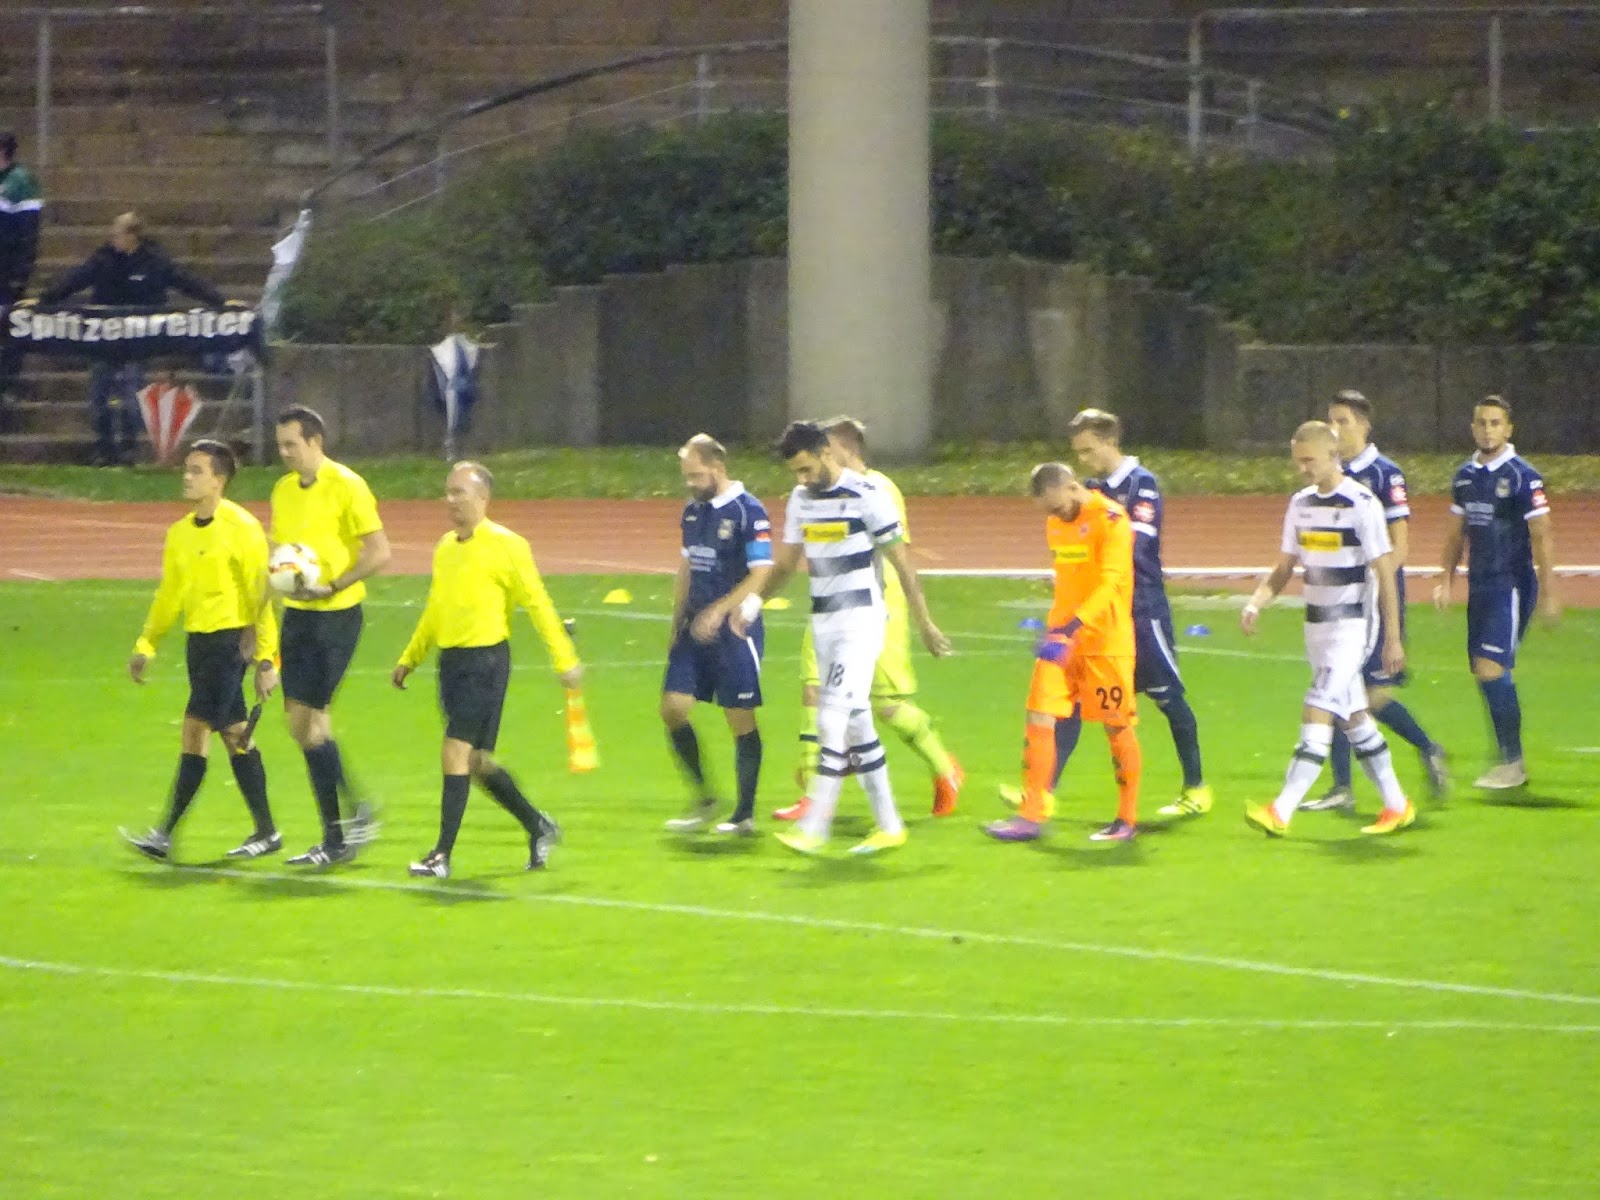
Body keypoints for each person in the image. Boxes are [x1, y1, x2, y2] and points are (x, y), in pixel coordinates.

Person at [730, 421, 951, 856]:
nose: (802, 478)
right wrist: (753, 603)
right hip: (825, 623)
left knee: (831, 718)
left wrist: (925, 622)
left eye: (807, 468)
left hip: (862, 622)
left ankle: (815, 828)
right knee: (857, 722)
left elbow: (902, 564)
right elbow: (787, 564)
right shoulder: (801, 499)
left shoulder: (868, 495)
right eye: (796, 472)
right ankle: (889, 826)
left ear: (827, 453)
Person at [392, 462, 581, 878]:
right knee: (477, 763)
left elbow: (538, 602)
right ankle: (538, 825)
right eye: (448, 492)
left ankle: (441, 855)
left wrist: (564, 658)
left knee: (454, 752)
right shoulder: (445, 547)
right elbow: (436, 608)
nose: (450, 500)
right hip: (451, 663)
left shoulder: (507, 545)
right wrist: (411, 657)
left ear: (483, 498)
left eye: (459, 492)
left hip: (486, 662)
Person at [1022, 408, 1210, 818]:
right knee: (1069, 702)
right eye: (1078, 452)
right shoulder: (1089, 490)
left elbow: (1134, 546)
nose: (1084, 459)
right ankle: (1044, 791)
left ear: (1110, 441)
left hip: (1141, 607)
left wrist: (1095, 568)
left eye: (1088, 450)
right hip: (1099, 618)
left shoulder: (1142, 485)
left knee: (1166, 696)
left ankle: (1195, 786)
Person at [776, 416, 963, 822]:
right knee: (813, 690)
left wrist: (923, 620)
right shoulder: (810, 494)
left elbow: (897, 554)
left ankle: (944, 768)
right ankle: (814, 793)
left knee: (886, 706)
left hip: (876, 608)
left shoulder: (877, 490)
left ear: (842, 449)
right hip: (828, 611)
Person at [1243, 421, 1414, 838]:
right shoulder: (1300, 504)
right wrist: (1256, 602)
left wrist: (1392, 638)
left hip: (1352, 627)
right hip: (1317, 626)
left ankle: (1281, 809)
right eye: (1298, 461)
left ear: (1332, 456)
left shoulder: (1362, 503)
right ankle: (1397, 805)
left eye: (1309, 460)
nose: (1302, 468)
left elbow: (1385, 574)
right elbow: (1285, 566)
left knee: (1317, 705)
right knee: (1354, 718)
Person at [119, 439, 282, 861]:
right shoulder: (179, 534)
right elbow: (169, 595)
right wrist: (147, 643)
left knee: (195, 730)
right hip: (199, 645)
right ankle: (267, 831)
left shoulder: (242, 528)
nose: (187, 477)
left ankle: (165, 833)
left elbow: (261, 597)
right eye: (187, 469)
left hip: (231, 644)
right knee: (235, 734)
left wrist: (267, 659)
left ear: (219, 480)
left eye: (196, 471)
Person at [985, 462, 1143, 844]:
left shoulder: (1111, 520)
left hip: (1105, 644)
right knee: (1039, 715)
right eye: (1048, 511)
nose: (1056, 516)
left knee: (1116, 725)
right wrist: (1056, 627)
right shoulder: (1055, 523)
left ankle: (1126, 818)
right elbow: (1069, 578)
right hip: (1061, 642)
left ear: (1073, 487)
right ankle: (1031, 815)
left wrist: (1074, 626)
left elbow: (1111, 584)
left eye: (1057, 507)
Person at [1309, 390, 1448, 810]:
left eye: (1344, 421)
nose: (1335, 429)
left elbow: (1399, 543)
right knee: (1339, 687)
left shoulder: (1385, 474)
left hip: (1373, 600)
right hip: (1339, 596)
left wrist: (1375, 581)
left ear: (1365, 426)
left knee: (1369, 697)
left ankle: (1425, 748)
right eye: (1331, 421)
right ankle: (1342, 787)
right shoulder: (1330, 474)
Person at [270, 405, 392, 866]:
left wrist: (335, 584)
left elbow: (379, 552)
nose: (285, 453)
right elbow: (280, 554)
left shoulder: (348, 485)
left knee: (313, 724)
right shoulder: (283, 490)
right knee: (300, 727)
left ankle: (335, 838)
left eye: (291, 445)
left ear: (315, 442)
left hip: (336, 617)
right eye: (280, 446)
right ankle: (356, 811)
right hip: (297, 616)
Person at [36, 211, 235, 466]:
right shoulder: (103, 259)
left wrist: (220, 301)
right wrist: (43, 300)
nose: (112, 238)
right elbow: (75, 280)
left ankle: (129, 449)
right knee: (99, 397)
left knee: (132, 398)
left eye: (117, 233)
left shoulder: (155, 262)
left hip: (137, 343)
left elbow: (186, 281)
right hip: (104, 340)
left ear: (133, 236)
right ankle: (104, 449)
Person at [1435, 395, 1559, 789]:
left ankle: (1512, 762)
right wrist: (1445, 580)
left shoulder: (1523, 476)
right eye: (1481, 423)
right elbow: (1456, 535)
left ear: (1508, 429)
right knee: (1484, 671)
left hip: (1511, 585)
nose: (1488, 430)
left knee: (1492, 668)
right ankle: (1507, 757)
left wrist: (1550, 594)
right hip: (1481, 585)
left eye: (1495, 423)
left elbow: (1542, 535)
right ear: (1473, 428)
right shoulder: (1465, 477)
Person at [661, 434, 773, 835]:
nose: (690, 483)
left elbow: (761, 572)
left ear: (717, 468)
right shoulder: (693, 511)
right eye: (686, 476)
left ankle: (744, 814)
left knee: (739, 718)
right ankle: (705, 798)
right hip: (694, 626)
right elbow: (687, 567)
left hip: (734, 630)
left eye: (696, 475)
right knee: (673, 708)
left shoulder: (748, 511)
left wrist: (721, 610)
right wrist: (676, 621)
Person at [0, 129, 42, 412]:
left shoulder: (20, 182)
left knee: (9, 328)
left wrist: (19, 274)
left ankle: (6, 386)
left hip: (5, 273)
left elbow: (28, 234)